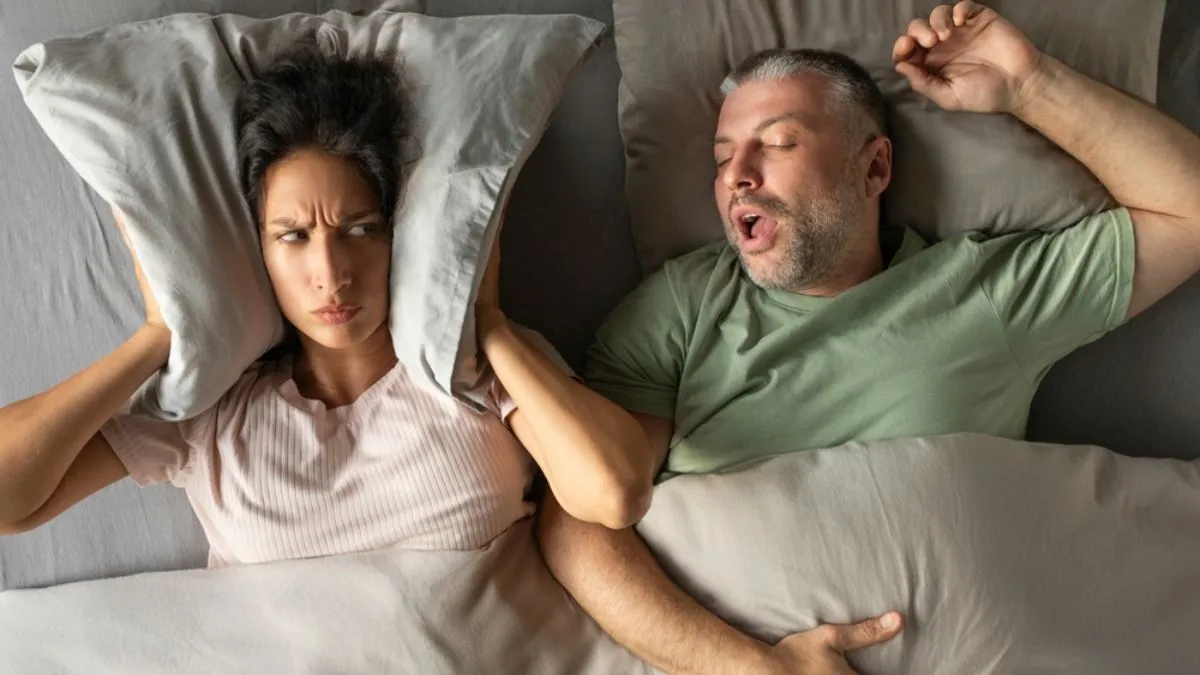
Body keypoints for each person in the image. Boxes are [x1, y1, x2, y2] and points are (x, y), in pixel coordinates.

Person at [537, 2, 1200, 674]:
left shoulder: (980, 293)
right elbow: (580, 519)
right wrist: (756, 669)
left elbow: (1190, 211)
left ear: (874, 169)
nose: (738, 174)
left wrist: (1031, 85)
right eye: (721, 157)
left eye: (778, 143)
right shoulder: (683, 304)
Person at [0, 44, 657, 567]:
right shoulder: (209, 412)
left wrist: (488, 323)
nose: (330, 275)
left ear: (399, 233)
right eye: (293, 236)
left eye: (360, 229)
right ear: (257, 249)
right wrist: (156, 336)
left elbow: (617, 492)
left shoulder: (476, 375)